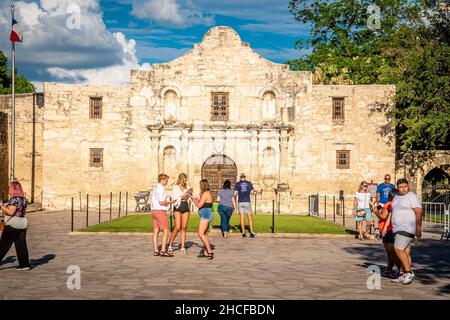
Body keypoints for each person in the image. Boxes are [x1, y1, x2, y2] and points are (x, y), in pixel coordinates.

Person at [391, 178, 422, 285]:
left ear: (408, 186)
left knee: (398, 249)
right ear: (397, 188)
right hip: (397, 228)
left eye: (405, 186)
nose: (403, 189)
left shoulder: (412, 196)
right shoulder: (396, 197)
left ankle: (409, 272)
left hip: (407, 227)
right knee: (405, 251)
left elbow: (418, 212)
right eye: (400, 187)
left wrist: (418, 228)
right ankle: (403, 273)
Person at [0, 180, 31, 270]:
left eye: (10, 188)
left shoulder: (14, 199)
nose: (9, 189)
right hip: (22, 224)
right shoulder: (23, 199)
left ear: (13, 189)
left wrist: (1, 206)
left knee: (3, 246)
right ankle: (24, 265)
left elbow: (10, 212)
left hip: (13, 225)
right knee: (21, 245)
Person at [372, 189, 402, 278]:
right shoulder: (397, 204)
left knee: (391, 252)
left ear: (391, 195)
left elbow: (383, 216)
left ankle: (401, 270)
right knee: (390, 253)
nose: (387, 195)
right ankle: (389, 269)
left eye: (389, 194)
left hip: (388, 230)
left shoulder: (388, 204)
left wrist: (375, 210)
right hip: (394, 229)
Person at [151, 173, 176, 257]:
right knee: (166, 230)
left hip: (154, 210)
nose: (167, 182)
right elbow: (161, 202)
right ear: (162, 180)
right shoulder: (161, 189)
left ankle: (155, 250)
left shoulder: (155, 188)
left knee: (156, 231)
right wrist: (171, 202)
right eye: (166, 180)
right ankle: (163, 250)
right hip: (160, 211)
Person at [168, 173, 193, 255]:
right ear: (180, 179)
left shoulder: (187, 187)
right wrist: (183, 196)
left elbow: (190, 197)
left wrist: (189, 194)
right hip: (178, 207)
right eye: (183, 180)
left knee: (184, 227)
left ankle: (182, 247)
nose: (185, 181)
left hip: (185, 207)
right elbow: (175, 199)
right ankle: (170, 245)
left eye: (186, 180)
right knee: (177, 227)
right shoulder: (175, 188)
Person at [192, 179, 214, 260]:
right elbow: (203, 203)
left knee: (200, 234)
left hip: (205, 214)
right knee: (205, 234)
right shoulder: (208, 193)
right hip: (207, 213)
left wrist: (192, 198)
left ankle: (209, 252)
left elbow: (199, 205)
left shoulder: (205, 193)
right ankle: (205, 251)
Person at [234, 173, 256, 238]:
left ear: (240, 178)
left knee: (242, 217)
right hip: (247, 201)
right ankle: (251, 232)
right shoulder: (249, 183)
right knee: (249, 217)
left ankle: (243, 233)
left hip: (240, 201)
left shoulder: (237, 184)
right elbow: (252, 192)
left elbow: (235, 193)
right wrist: (253, 192)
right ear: (245, 177)